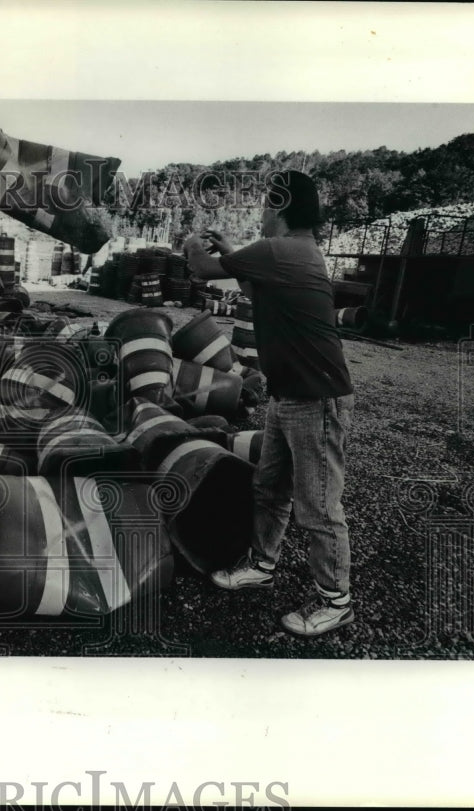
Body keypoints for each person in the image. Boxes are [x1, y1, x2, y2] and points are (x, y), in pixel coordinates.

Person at [183, 170, 355, 637]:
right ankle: (262, 563)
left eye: (264, 205)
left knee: (318, 506)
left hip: (316, 399)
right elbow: (253, 287)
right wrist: (233, 252)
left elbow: (201, 269)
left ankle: (336, 601)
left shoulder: (281, 250)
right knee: (269, 488)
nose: (259, 213)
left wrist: (192, 241)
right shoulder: (295, 252)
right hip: (291, 394)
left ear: (279, 208)